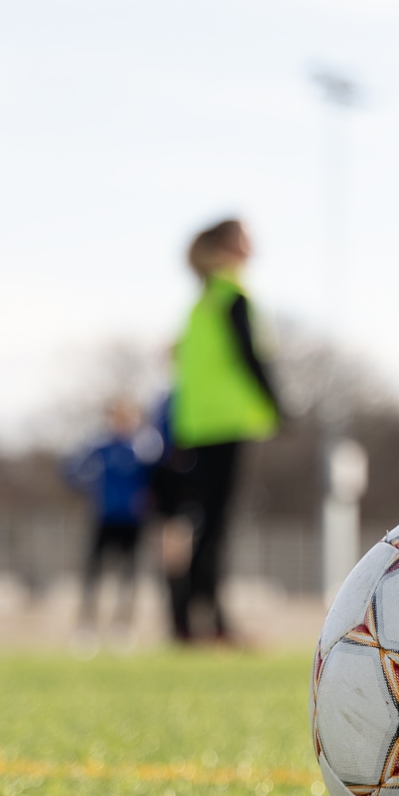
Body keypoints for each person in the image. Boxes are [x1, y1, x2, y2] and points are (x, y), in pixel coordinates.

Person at [162, 218, 281, 644]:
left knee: (197, 526)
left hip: (192, 427)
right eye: (245, 236)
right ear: (229, 246)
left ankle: (188, 620)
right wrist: (278, 405)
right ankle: (213, 622)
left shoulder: (201, 303)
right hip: (225, 424)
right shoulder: (232, 296)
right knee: (215, 528)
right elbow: (251, 355)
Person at [61, 397, 163, 648]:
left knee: (129, 577)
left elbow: (160, 479)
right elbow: (71, 470)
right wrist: (92, 488)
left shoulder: (145, 449)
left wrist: (150, 499)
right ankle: (86, 628)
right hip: (104, 517)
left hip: (133, 521)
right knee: (94, 575)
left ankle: (122, 628)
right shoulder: (100, 447)